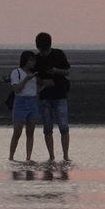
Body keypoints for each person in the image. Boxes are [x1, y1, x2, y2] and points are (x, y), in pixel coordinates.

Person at [32, 31, 71, 163]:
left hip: (60, 95)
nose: (43, 53)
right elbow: (33, 77)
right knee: (47, 128)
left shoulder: (58, 54)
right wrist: (43, 81)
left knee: (63, 126)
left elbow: (67, 71)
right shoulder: (36, 59)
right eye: (41, 50)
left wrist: (56, 71)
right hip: (45, 97)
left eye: (45, 50)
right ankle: (51, 157)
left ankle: (66, 156)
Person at [6, 49, 39, 161]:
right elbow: (17, 89)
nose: (33, 63)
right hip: (20, 102)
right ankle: (11, 157)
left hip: (32, 102)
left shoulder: (35, 74)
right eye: (31, 60)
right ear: (25, 61)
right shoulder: (17, 73)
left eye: (34, 60)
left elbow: (36, 89)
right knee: (17, 132)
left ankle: (28, 158)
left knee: (30, 133)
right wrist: (26, 79)